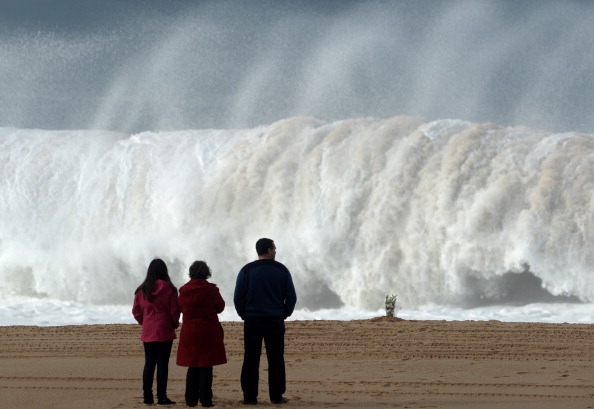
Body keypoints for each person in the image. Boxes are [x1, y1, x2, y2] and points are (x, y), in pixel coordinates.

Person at [233, 238, 297, 405]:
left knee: (251, 359)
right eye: (274, 248)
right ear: (268, 250)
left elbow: (238, 297)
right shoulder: (282, 270)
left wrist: (244, 315)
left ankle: (249, 397)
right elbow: (291, 297)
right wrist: (284, 314)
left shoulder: (247, 270)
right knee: (276, 359)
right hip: (275, 319)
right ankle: (276, 396)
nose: (275, 251)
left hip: (252, 320)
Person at [176, 261, 227, 407]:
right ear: (206, 273)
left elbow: (180, 307)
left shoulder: (184, 291)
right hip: (208, 331)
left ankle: (190, 400)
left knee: (192, 365)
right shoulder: (211, 290)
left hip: (190, 331)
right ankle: (206, 400)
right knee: (206, 365)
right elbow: (220, 307)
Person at [132, 258, 180, 406]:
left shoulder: (142, 290)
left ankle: (147, 397)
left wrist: (144, 322)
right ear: (164, 271)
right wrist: (174, 324)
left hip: (148, 330)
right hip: (164, 329)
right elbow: (174, 310)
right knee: (162, 365)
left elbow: (136, 311)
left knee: (149, 364)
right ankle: (162, 397)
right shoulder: (170, 289)